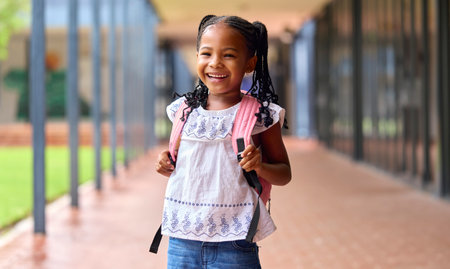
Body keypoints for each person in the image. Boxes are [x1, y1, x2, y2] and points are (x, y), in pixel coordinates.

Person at [155, 15, 291, 269]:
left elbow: (284, 174)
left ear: (250, 62)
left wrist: (260, 166)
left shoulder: (261, 115)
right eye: (206, 53)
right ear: (197, 56)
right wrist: (166, 161)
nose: (215, 63)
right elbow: (188, 162)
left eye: (228, 55)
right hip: (182, 239)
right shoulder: (183, 110)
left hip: (235, 242)